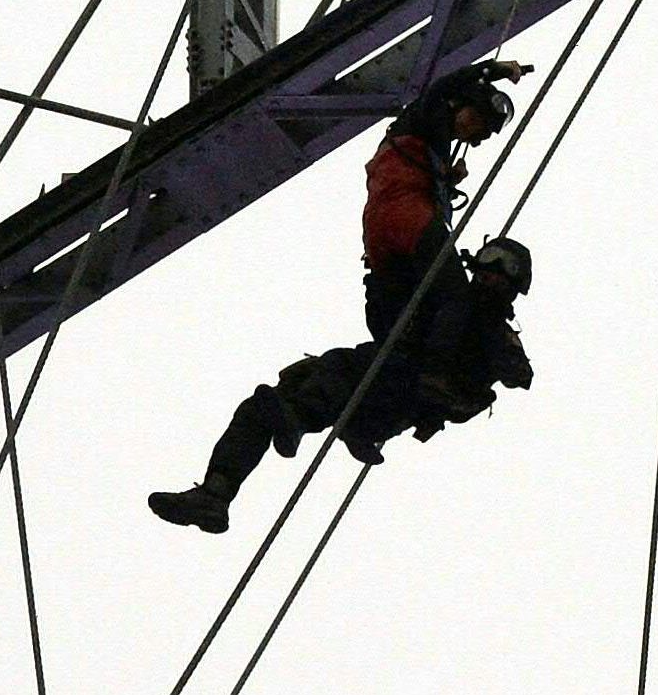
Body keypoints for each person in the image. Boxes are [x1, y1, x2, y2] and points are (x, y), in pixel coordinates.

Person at [150, 60, 530, 533]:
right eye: (482, 124)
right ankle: (338, 418)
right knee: (444, 291)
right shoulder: (429, 121)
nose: (480, 138)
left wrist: (442, 183)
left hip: (387, 248)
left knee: (286, 393)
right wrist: (497, 69)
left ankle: (216, 493)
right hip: (401, 221)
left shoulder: (430, 157)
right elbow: (444, 84)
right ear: (464, 105)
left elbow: (514, 372)